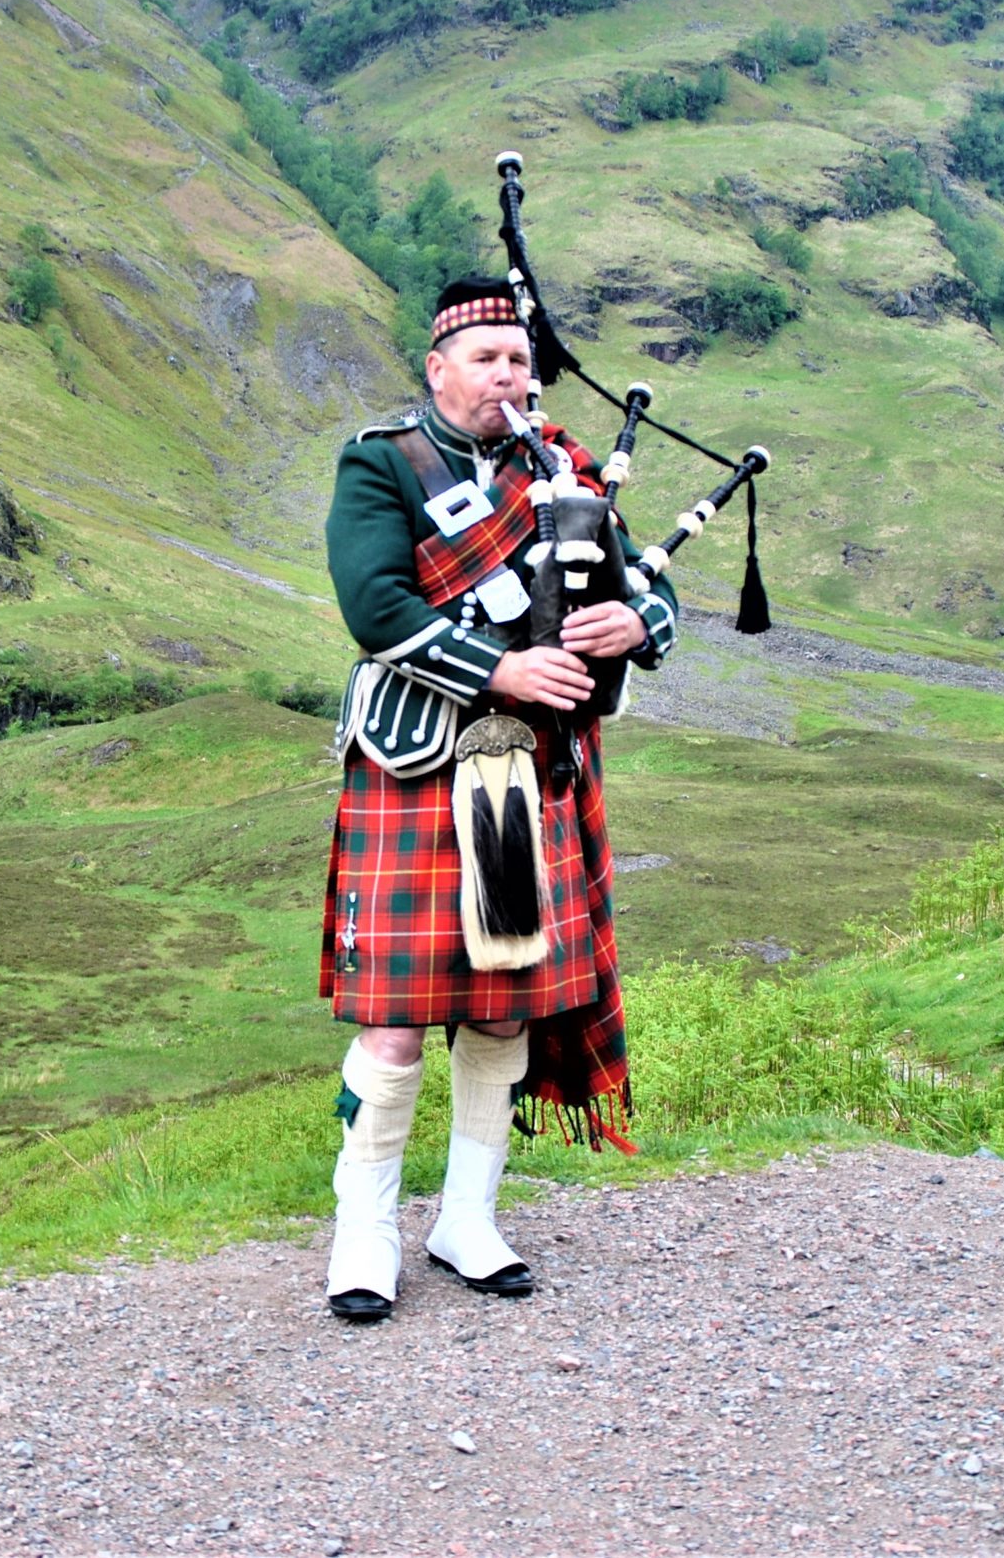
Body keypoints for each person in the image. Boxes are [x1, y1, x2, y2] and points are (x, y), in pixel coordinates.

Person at [316, 273, 679, 1321]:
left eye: (518, 359)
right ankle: (365, 1234)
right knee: (389, 1021)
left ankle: (465, 1219)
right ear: (438, 370)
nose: (506, 377)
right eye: (485, 359)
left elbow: (638, 580)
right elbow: (373, 605)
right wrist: (500, 670)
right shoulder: (382, 463)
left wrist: (635, 622)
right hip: (418, 761)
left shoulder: (561, 465)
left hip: (526, 771)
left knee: (499, 1010)